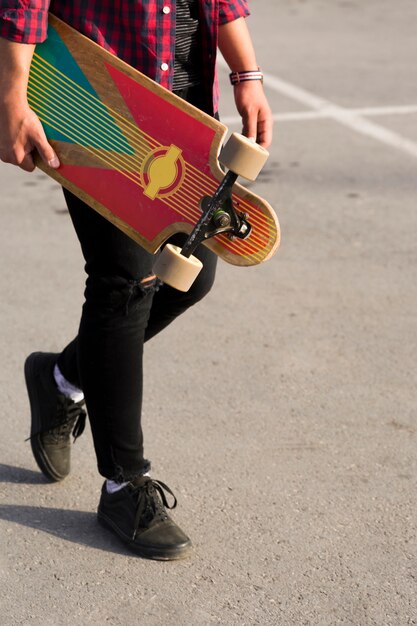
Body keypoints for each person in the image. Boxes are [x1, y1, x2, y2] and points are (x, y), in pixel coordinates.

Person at [0, 0, 272, 560]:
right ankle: (124, 483)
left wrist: (246, 74)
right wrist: (11, 95)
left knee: (191, 280)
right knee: (124, 282)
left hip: (181, 111)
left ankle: (61, 379)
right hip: (95, 98)